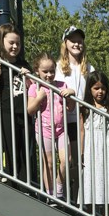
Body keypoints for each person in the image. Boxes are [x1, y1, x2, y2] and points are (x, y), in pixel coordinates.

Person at [0, 24, 32, 182]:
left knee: (25, 150)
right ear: (1, 41)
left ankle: (26, 184)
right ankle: (13, 180)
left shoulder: (23, 65)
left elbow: (32, 89)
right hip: (6, 112)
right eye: (11, 43)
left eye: (17, 43)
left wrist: (29, 78)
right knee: (10, 148)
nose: (15, 46)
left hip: (24, 113)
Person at [54, 25, 94, 200]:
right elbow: (56, 91)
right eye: (73, 40)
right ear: (66, 43)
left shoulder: (89, 68)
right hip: (64, 120)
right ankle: (60, 192)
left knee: (80, 162)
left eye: (80, 41)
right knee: (66, 160)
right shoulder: (58, 67)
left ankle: (79, 199)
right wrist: (70, 94)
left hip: (83, 121)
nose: (77, 44)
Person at [24, 51, 72, 194]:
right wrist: (39, 99)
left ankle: (58, 187)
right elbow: (30, 110)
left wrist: (71, 94)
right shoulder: (35, 87)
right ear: (37, 71)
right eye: (45, 71)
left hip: (61, 129)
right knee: (49, 163)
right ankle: (50, 193)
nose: (49, 75)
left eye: (52, 71)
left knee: (66, 161)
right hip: (45, 130)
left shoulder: (62, 85)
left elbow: (70, 108)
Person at [79, 71, 109, 216]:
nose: (100, 91)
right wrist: (81, 153)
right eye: (96, 88)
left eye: (103, 88)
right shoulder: (85, 108)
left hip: (106, 149)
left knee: (107, 182)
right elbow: (82, 131)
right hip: (90, 149)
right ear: (90, 89)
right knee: (90, 183)